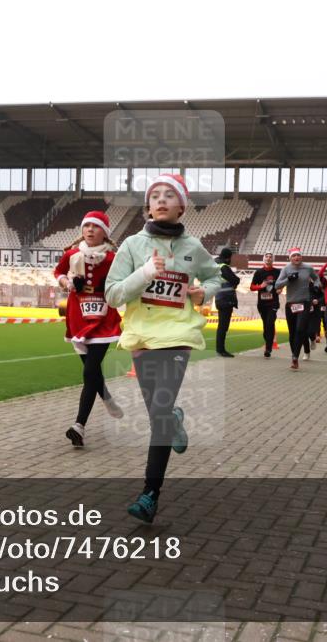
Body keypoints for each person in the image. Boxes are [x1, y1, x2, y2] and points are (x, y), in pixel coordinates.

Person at [105, 174, 222, 524]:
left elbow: (216, 277)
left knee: (157, 413)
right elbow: (112, 296)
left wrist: (204, 292)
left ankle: (149, 494)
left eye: (169, 195)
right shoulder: (130, 247)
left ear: (181, 205)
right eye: (154, 195)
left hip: (177, 335)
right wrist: (143, 273)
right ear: (147, 205)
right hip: (141, 337)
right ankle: (174, 419)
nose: (160, 200)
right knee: (161, 413)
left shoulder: (193, 247)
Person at [54, 211, 124, 447]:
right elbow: (59, 272)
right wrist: (69, 283)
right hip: (78, 318)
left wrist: (111, 285)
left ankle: (79, 426)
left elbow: (124, 279)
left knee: (89, 371)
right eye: (87, 227)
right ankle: (107, 397)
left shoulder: (114, 258)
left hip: (104, 320)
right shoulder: (72, 254)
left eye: (96, 227)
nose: (90, 231)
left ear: (105, 232)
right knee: (92, 373)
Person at [274, 247, 320, 371]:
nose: (296, 258)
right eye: (293, 256)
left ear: (301, 257)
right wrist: (288, 280)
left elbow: (316, 278)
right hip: (291, 304)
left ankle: (295, 358)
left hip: (304, 302)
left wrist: (316, 286)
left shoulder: (308, 268)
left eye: (298, 255)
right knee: (293, 333)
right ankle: (294, 354)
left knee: (300, 329)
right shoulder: (286, 269)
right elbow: (277, 285)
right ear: (290, 258)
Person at [249, 253, 280, 357]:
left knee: (270, 323)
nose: (268, 258)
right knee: (266, 327)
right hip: (262, 304)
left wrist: (281, 288)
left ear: (273, 260)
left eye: (270, 257)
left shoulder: (277, 272)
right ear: (264, 259)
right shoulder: (259, 272)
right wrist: (260, 286)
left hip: (273, 303)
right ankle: (268, 342)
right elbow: (252, 287)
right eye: (266, 256)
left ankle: (268, 348)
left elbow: (282, 282)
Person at [213, 247, 240, 358]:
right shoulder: (223, 267)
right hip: (226, 299)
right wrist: (235, 281)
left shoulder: (214, 264)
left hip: (219, 298)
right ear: (228, 257)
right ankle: (221, 350)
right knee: (223, 326)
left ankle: (220, 349)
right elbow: (235, 280)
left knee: (222, 326)